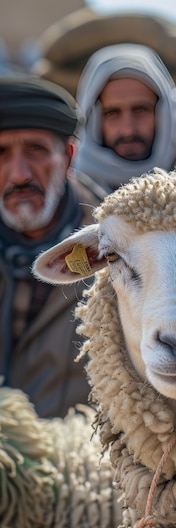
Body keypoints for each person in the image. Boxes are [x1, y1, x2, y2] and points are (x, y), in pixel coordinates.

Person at [0, 75, 99, 418]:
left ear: (68, 157)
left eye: (36, 150)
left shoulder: (117, 253)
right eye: (1, 153)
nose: (18, 175)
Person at [72, 43, 176, 195]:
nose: (128, 129)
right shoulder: (66, 195)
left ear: (163, 113)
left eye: (140, 110)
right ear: (93, 118)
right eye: (112, 113)